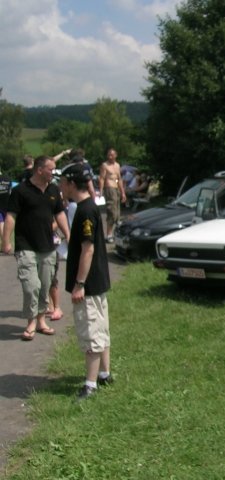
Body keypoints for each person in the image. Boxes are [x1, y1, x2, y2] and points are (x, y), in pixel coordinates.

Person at [1, 155, 70, 341]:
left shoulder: (54, 190)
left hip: (48, 246)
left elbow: (60, 214)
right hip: (26, 245)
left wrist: (68, 235)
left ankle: (41, 321)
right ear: (39, 169)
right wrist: (6, 241)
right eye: (51, 169)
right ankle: (30, 322)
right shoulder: (21, 191)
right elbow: (11, 217)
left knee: (45, 285)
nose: (53, 173)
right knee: (31, 286)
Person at [59, 162, 113, 400]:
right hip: (97, 282)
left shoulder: (84, 210)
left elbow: (87, 249)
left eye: (62, 182)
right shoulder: (88, 207)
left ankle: (90, 384)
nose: (60, 186)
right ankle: (104, 374)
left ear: (71, 184)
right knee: (101, 328)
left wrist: (79, 283)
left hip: (88, 285)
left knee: (91, 330)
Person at [98, 148, 126, 242]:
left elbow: (119, 179)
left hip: (116, 188)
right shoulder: (105, 165)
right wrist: (101, 191)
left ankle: (115, 233)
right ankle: (108, 234)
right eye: (108, 155)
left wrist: (123, 193)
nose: (110, 156)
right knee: (111, 212)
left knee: (117, 214)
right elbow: (101, 178)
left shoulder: (117, 165)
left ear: (115, 155)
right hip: (109, 188)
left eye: (112, 155)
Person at [0, 170, 11, 240]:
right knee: (5, 223)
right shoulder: (8, 178)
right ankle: (7, 241)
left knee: (1, 223)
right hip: (7, 204)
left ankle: (5, 242)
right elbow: (10, 191)